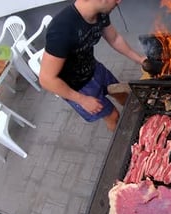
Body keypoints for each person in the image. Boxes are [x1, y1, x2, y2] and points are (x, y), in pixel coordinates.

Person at [39, 0, 147, 131]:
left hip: (95, 69)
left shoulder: (100, 12)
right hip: (78, 88)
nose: (119, 1)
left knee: (122, 94)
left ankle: (143, 121)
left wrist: (140, 59)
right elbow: (46, 79)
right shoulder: (61, 30)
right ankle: (127, 135)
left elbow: (115, 38)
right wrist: (82, 100)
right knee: (113, 116)